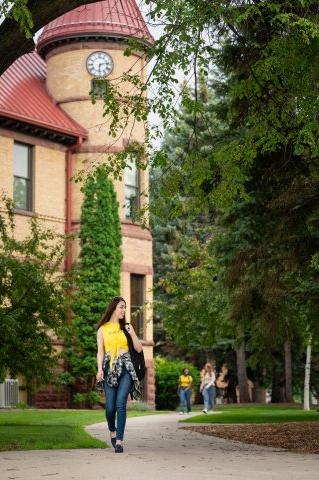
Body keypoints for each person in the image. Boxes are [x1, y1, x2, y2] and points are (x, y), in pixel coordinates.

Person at [96, 296, 142, 453]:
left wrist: (133, 332)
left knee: (121, 404)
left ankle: (120, 441)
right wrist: (99, 369)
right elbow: (100, 352)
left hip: (127, 368)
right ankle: (112, 431)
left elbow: (138, 349)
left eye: (125, 307)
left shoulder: (126, 328)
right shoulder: (102, 329)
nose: (124, 310)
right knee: (110, 408)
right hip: (110, 368)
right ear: (114, 308)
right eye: (121, 307)